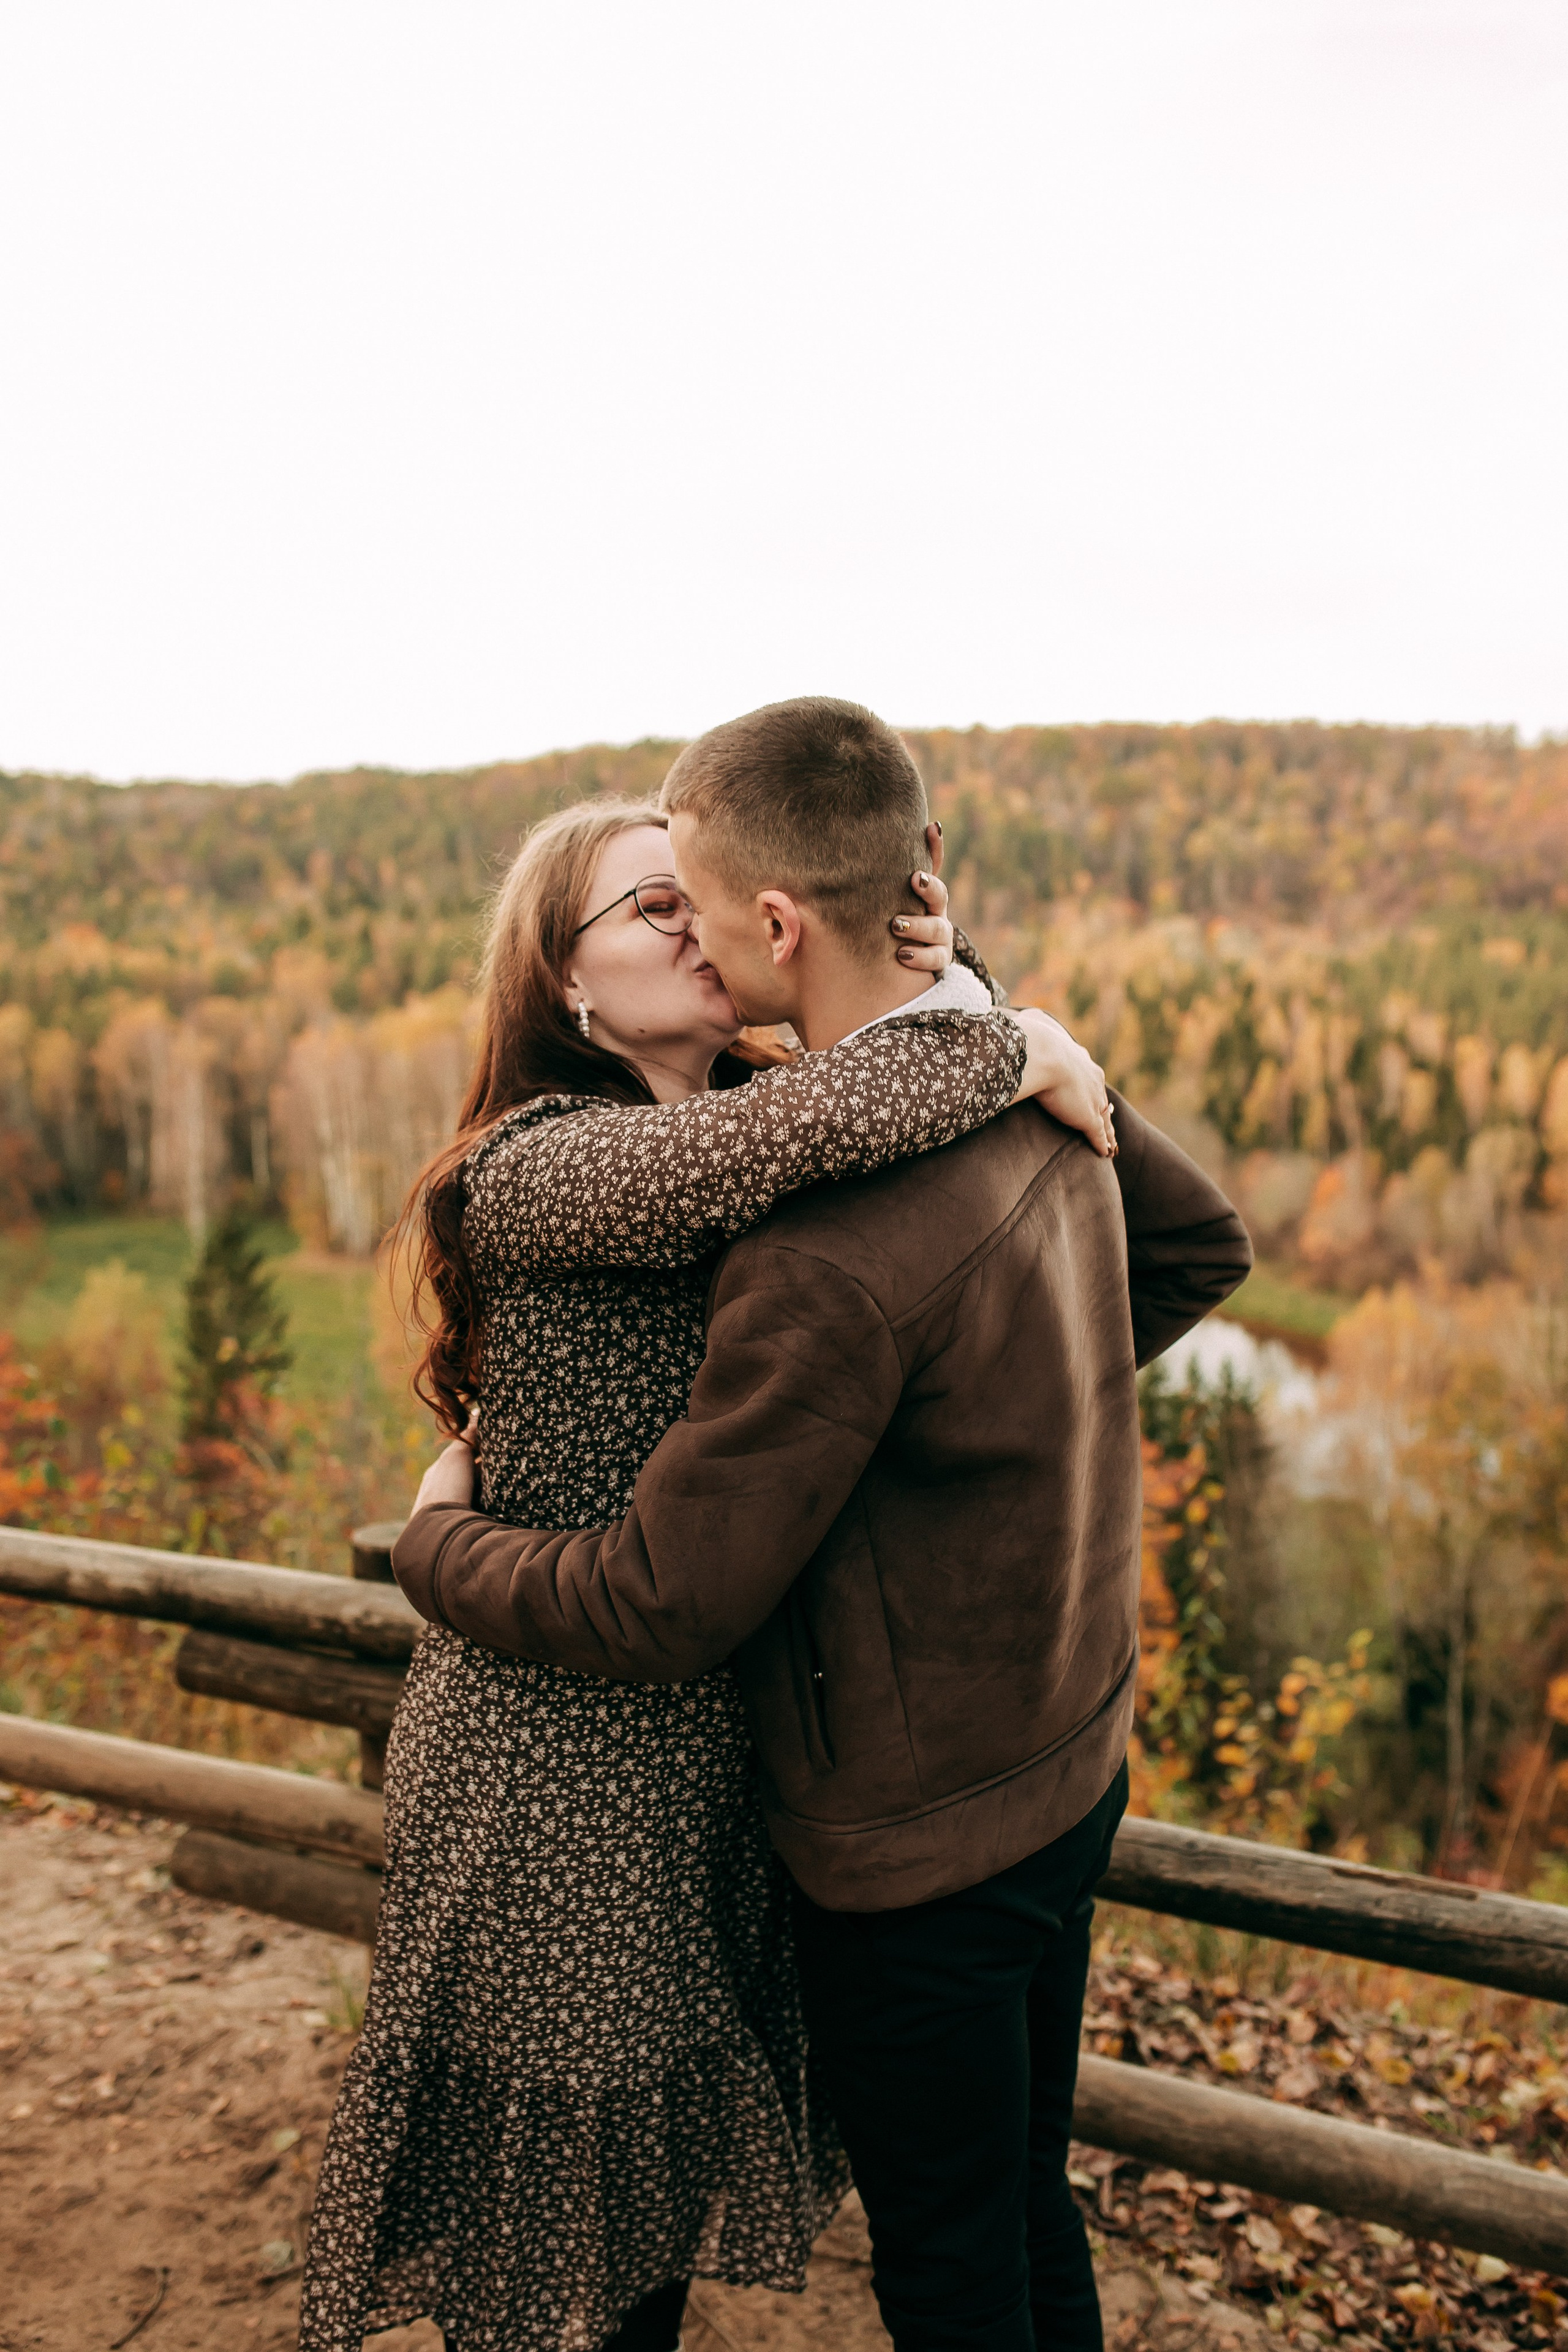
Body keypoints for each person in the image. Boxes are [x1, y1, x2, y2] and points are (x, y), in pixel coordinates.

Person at [393, 698, 1254, 2352]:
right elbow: (826, 1119)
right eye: (651, 904)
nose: (692, 923)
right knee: (575, 2243)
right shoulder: (541, 1169)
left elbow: (847, 1127)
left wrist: (961, 1000)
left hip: (735, 1748)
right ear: (562, 982)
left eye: (696, 893)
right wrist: (994, 1022)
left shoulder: (803, 1140)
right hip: (565, 1764)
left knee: (850, 2212)